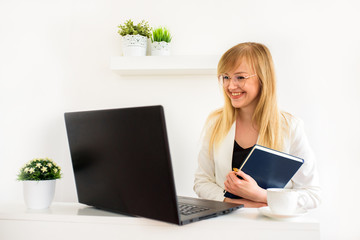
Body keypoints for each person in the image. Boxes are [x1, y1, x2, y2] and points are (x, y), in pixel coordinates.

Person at [193, 42, 321, 208]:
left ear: (263, 79)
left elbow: (312, 194)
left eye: (240, 77)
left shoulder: (290, 127)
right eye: (226, 77)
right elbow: (202, 181)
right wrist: (236, 203)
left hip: (272, 229)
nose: (230, 86)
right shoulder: (215, 122)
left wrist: (260, 195)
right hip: (226, 226)